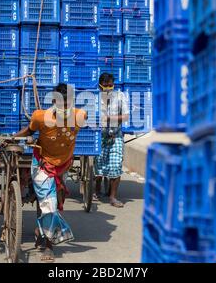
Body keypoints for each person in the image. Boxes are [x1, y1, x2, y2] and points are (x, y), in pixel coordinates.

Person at [14, 83, 87, 262]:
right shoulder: (40, 117)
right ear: (53, 101)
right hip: (43, 164)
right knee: (50, 205)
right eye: (60, 103)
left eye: (67, 103)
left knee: (55, 201)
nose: (64, 107)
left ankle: (42, 228)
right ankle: (49, 246)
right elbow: (29, 131)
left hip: (64, 165)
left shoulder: (80, 116)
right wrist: (12, 138)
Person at [94, 73, 129, 208]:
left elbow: (125, 116)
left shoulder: (120, 96)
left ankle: (113, 197)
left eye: (111, 85)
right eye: (106, 86)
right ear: (100, 85)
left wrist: (110, 119)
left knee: (115, 166)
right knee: (98, 167)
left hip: (115, 136)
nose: (108, 88)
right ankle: (97, 190)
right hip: (99, 136)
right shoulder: (94, 98)